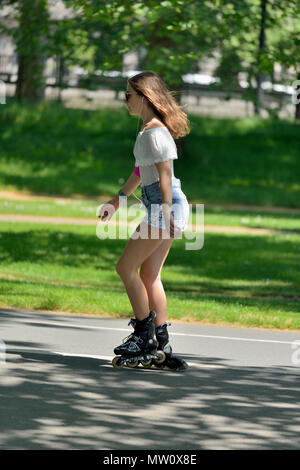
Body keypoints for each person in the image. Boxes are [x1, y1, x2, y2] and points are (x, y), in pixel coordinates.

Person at [99, 71, 190, 370]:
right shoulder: (149, 132)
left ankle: (143, 336)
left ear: (144, 97)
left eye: (128, 95)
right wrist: (118, 200)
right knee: (150, 276)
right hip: (165, 206)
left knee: (125, 267)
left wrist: (164, 212)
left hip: (165, 206)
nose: (124, 100)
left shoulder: (154, 133)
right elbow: (141, 173)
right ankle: (160, 341)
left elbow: (165, 174)